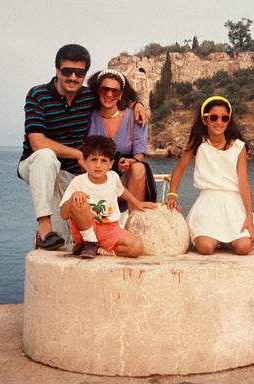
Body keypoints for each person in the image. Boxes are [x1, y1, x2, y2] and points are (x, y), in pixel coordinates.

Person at [17, 44, 147, 250]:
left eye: (79, 73)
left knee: (66, 238)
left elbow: (111, 97)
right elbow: (37, 143)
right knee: (45, 156)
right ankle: (44, 229)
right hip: (36, 165)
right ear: (57, 70)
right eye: (67, 71)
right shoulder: (38, 95)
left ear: (85, 74)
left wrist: (136, 104)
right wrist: (77, 153)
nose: (73, 77)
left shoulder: (87, 97)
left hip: (72, 172)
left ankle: (59, 240)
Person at [164, 96, 254, 255]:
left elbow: (243, 183)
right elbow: (179, 169)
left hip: (233, 205)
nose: (219, 122)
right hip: (207, 203)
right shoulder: (198, 142)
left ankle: (227, 240)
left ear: (228, 121)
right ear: (205, 120)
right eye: (214, 117)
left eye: (224, 118)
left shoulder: (239, 147)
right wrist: (172, 196)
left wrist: (249, 217)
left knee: (244, 248)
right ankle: (219, 238)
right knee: (206, 247)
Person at [60, 135, 157, 258]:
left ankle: (99, 250)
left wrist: (137, 203)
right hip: (84, 229)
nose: (98, 165)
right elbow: (63, 215)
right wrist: (74, 197)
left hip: (109, 228)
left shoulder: (113, 178)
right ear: (85, 161)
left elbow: (122, 192)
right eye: (93, 160)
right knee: (80, 202)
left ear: (111, 164)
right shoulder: (78, 182)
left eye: (103, 161)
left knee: (137, 247)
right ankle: (89, 242)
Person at [86, 69, 149, 213]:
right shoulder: (88, 116)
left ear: (120, 95)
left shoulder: (134, 117)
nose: (109, 95)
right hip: (93, 180)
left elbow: (140, 154)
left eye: (114, 91)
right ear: (98, 91)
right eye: (105, 89)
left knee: (139, 168)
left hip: (122, 183)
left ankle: (135, 222)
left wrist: (130, 162)